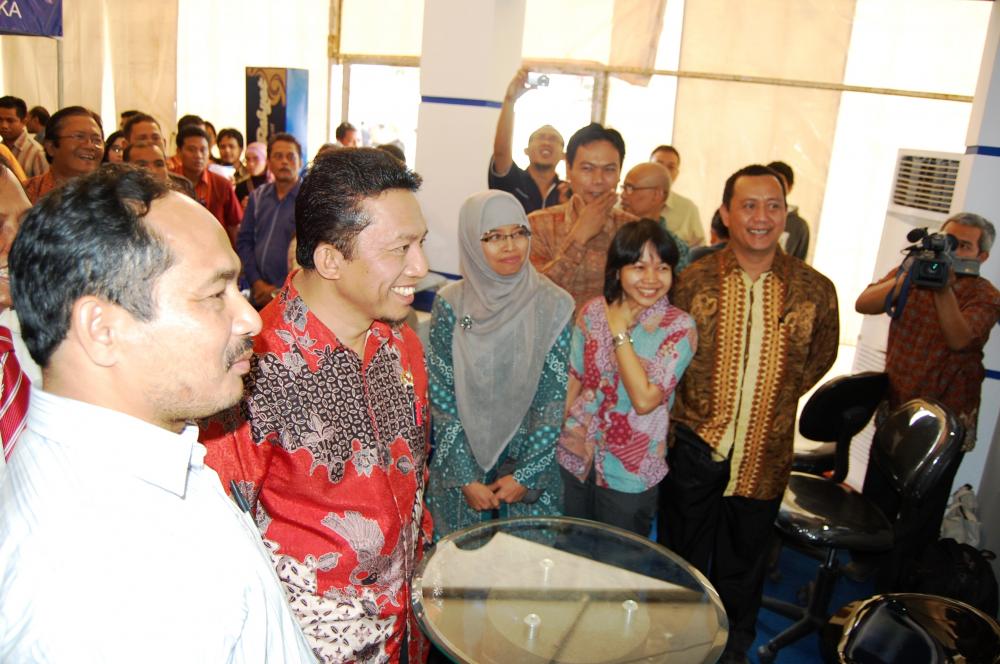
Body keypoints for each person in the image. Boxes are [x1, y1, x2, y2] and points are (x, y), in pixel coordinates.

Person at [0, 165, 315, 662]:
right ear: (103, 329)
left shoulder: (147, 456)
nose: (251, 319)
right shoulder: (95, 592)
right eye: (214, 294)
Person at [202, 147, 433, 663]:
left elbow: (413, 478)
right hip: (306, 646)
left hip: (405, 630)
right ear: (330, 260)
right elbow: (218, 545)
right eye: (400, 248)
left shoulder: (402, 343)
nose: (421, 266)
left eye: (422, 243)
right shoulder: (250, 371)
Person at [660, 164, 839, 663]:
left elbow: (818, 359)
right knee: (680, 563)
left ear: (785, 214)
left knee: (743, 570)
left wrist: (768, 401)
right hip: (694, 448)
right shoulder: (692, 282)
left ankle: (732, 651)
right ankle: (674, 648)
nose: (762, 217)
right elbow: (668, 355)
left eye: (773, 206)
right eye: (749, 205)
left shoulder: (814, 289)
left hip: (765, 454)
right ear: (725, 213)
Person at [854, 212, 1000, 587]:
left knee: (921, 513)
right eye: (948, 241)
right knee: (877, 499)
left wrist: (942, 289)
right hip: (898, 407)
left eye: (963, 246)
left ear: (982, 256)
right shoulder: (913, 272)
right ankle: (865, 570)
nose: (951, 251)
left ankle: (902, 586)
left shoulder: (985, 296)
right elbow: (865, 303)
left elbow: (960, 338)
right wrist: (907, 275)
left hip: (946, 421)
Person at [427, 190, 574, 538]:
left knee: (523, 569)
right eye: (493, 237)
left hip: (525, 470)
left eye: (518, 233)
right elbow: (442, 395)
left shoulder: (554, 305)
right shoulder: (452, 306)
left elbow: (551, 400)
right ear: (471, 241)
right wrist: (465, 477)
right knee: (460, 567)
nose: (510, 246)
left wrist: (525, 475)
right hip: (463, 470)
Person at [558, 219, 696, 536]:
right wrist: (548, 445)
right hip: (574, 455)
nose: (651, 279)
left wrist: (619, 331)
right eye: (639, 267)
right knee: (569, 550)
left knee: (618, 559)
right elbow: (573, 380)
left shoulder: (678, 327)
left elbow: (645, 400)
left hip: (629, 472)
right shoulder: (592, 312)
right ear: (617, 270)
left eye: (662, 268)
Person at [529, 122, 636, 310]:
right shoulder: (537, 224)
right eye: (587, 168)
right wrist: (579, 237)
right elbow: (533, 296)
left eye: (609, 169)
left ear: (620, 172)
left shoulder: (633, 228)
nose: (598, 180)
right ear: (569, 170)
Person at [237, 133, 303, 308]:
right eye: (278, 156)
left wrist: (279, 290)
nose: (284, 162)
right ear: (269, 162)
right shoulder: (257, 197)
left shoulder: (309, 200)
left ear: (300, 162)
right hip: (257, 292)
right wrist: (257, 282)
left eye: (290, 157)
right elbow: (244, 241)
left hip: (294, 298)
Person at [489, 71, 565, 214]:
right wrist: (510, 100)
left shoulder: (568, 192)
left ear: (564, 155)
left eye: (554, 139)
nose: (546, 142)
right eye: (540, 137)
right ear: (526, 150)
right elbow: (500, 153)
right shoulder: (513, 180)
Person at [171, 125, 243, 246]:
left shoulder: (221, 184)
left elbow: (234, 225)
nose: (198, 155)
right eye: (191, 149)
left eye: (203, 150)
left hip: (214, 248)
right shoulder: (168, 181)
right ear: (179, 152)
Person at [23, 106, 104, 204]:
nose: (90, 146)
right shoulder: (25, 193)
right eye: (79, 137)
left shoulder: (112, 196)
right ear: (51, 147)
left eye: (97, 140)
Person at [619, 162, 692, 271]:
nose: (623, 195)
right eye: (623, 188)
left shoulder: (675, 248)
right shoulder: (611, 233)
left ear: (656, 195)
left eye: (630, 188)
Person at [650, 145, 704, 247]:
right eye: (659, 165)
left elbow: (699, 250)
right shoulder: (629, 200)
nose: (664, 171)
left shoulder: (688, 209)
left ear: (677, 173)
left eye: (671, 167)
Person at [766, 160, 810, 260]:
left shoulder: (799, 226)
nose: (773, 187)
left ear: (789, 187)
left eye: (780, 183)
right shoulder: (748, 215)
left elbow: (799, 263)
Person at [125, 141, 196, 198]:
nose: (153, 171)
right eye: (142, 166)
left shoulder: (182, 199)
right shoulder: (122, 204)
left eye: (159, 164)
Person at [0, 96, 49, 179]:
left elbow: (44, 185)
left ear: (23, 122)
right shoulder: (2, 149)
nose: (4, 125)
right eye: (0, 120)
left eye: (10, 121)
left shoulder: (36, 153)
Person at [236, 141, 272, 207]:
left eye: (256, 159)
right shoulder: (241, 187)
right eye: (248, 159)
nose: (251, 164)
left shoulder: (277, 185)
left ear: (266, 160)